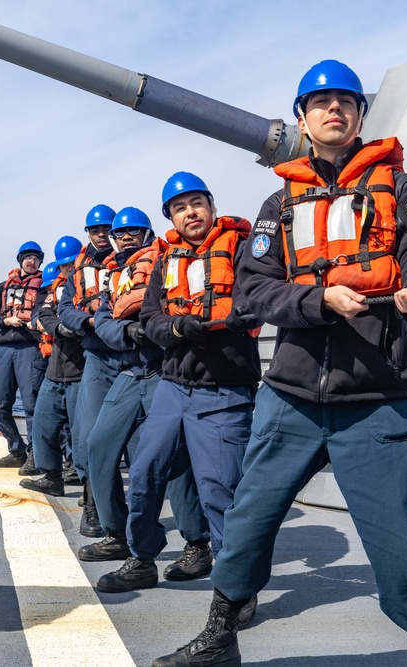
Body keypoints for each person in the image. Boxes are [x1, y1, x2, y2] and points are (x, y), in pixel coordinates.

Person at [152, 60, 407, 667]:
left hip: (376, 393)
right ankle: (221, 631)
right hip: (289, 394)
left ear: (360, 115)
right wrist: (317, 300)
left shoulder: (400, 191)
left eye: (345, 100)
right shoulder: (278, 204)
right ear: (302, 118)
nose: (333, 110)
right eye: (319, 102)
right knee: (246, 519)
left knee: (406, 534)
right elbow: (253, 291)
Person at [96, 172, 261, 594]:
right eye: (180, 207)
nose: (191, 213)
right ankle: (142, 558)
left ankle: (234, 587)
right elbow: (150, 316)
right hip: (172, 387)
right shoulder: (166, 260)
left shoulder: (242, 249)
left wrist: (241, 315)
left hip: (224, 391)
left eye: (197, 204)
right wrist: (175, 328)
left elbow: (259, 296)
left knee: (220, 490)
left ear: (211, 206)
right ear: (171, 216)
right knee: (146, 473)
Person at [78, 207, 211, 570]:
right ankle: (118, 532)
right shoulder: (115, 275)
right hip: (128, 372)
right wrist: (126, 332)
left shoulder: (165, 261)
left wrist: (150, 328)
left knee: (174, 458)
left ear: (148, 233)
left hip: (162, 372)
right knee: (98, 445)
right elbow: (103, 319)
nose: (126, 237)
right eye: (121, 233)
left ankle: (197, 541)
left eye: (135, 231)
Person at [57, 205, 120, 537]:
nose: (101, 234)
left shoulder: (137, 261)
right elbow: (65, 309)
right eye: (94, 229)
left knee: (142, 443)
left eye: (106, 228)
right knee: (90, 437)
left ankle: (135, 514)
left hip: (137, 359)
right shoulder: (78, 272)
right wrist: (90, 321)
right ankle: (93, 505)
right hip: (97, 356)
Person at [21, 245, 86, 497]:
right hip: (55, 369)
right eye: (64, 265)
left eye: (72, 264)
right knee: (43, 425)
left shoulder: (88, 284)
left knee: (81, 434)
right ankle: (51, 476)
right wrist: (59, 328)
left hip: (81, 369)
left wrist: (74, 325)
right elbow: (44, 313)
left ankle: (90, 491)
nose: (68, 269)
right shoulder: (57, 291)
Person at [0, 240, 48, 468]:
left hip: (30, 350)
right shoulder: (2, 287)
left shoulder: (44, 286)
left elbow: (44, 313)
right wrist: (5, 320)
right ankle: (16, 449)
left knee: (32, 404)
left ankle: (35, 453)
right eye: (28, 257)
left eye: (36, 258)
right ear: (20, 260)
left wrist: (24, 320)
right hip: (4, 350)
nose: (32, 261)